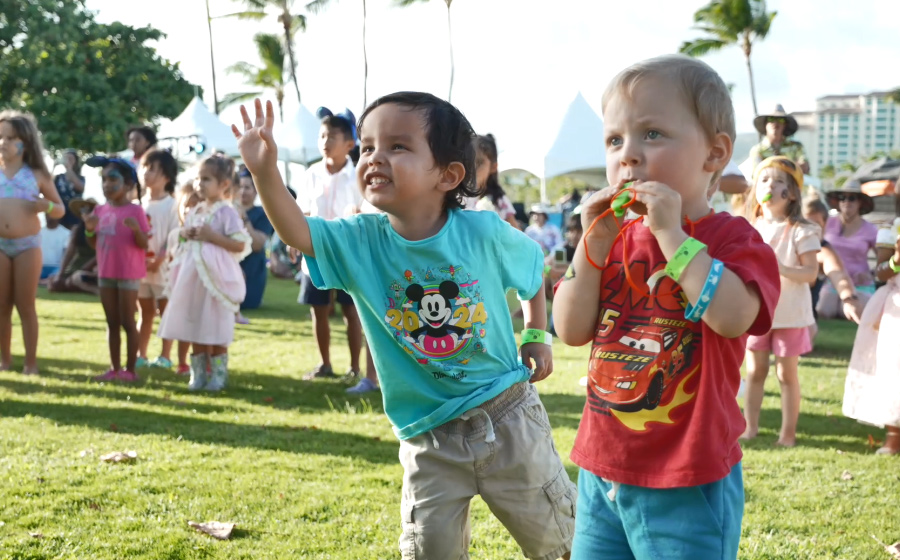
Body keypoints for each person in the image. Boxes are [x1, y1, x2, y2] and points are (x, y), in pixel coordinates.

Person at [235, 93, 576, 560]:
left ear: (449, 175)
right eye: (368, 146)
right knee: (428, 551)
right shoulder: (359, 240)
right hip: (427, 436)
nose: (375, 157)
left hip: (508, 417)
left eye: (397, 146)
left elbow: (533, 272)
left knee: (559, 542)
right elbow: (297, 231)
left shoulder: (483, 232)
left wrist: (536, 333)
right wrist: (264, 172)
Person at [553, 55, 780, 559]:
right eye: (615, 140)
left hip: (688, 477)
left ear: (714, 154)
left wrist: (672, 236)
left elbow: (733, 316)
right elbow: (568, 328)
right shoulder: (612, 242)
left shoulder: (733, 239)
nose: (628, 156)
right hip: (602, 468)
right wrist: (588, 249)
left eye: (652, 134)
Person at [741, 156, 821, 447]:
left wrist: (781, 268)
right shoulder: (749, 227)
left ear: (792, 194)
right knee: (754, 371)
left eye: (779, 182)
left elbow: (811, 274)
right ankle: (749, 428)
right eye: (764, 180)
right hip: (756, 313)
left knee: (787, 375)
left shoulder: (803, 230)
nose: (770, 186)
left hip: (790, 315)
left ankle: (787, 434)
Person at [158, 156, 250, 391]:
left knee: (215, 324)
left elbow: (239, 244)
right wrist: (185, 234)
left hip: (216, 278)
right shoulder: (196, 209)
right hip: (192, 278)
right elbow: (183, 237)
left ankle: (218, 375)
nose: (200, 184)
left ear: (224, 185)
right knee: (195, 322)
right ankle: (198, 374)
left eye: (206, 179)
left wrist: (212, 236)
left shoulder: (226, 213)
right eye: (198, 178)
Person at [296, 107, 365, 380]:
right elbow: (302, 210)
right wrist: (295, 240)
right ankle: (325, 364)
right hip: (315, 248)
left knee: (352, 310)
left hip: (348, 251)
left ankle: (355, 367)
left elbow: (364, 209)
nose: (325, 142)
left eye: (332, 136)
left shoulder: (358, 174)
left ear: (349, 144)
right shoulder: (311, 173)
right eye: (322, 136)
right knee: (319, 309)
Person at [0, 111, 65, 374]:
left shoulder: (36, 174)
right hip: (1, 245)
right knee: (2, 305)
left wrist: (46, 204)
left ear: (25, 142)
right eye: (0, 137)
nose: (3, 142)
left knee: (25, 304)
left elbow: (60, 209)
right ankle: (4, 360)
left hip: (27, 245)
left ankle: (30, 363)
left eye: (10, 138)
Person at [81, 156, 150, 382]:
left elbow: (144, 244)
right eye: (104, 179)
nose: (107, 184)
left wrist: (137, 230)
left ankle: (130, 371)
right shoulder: (100, 211)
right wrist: (90, 230)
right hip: (106, 273)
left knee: (128, 321)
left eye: (113, 179)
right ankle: (114, 368)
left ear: (129, 184)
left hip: (129, 273)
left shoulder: (136, 211)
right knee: (111, 322)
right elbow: (94, 244)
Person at [843, 220, 900, 454]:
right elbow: (881, 271)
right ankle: (894, 437)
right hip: (896, 306)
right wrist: (896, 260)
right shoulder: (893, 228)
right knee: (893, 370)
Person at [136, 149, 180, 370]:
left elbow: (173, 235)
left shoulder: (172, 205)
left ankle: (165, 356)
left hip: (163, 269)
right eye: (145, 167)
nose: (146, 173)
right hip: (141, 268)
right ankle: (140, 354)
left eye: (153, 169)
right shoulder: (139, 204)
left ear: (166, 177)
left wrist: (160, 259)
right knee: (144, 311)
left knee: (166, 312)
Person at [817, 181, 878, 318]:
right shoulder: (828, 222)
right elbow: (817, 248)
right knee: (824, 311)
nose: (846, 202)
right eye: (842, 198)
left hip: (860, 285)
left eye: (852, 198)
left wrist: (872, 274)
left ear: (860, 203)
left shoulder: (871, 229)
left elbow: (884, 259)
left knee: (851, 314)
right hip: (833, 282)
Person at [802, 197, 863, 329]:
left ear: (824, 225)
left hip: (804, 319)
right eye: (805, 223)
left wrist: (848, 299)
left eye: (816, 224)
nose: (810, 229)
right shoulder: (787, 244)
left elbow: (839, 275)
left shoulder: (823, 250)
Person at [165, 180, 203, 376]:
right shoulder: (177, 233)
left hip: (200, 284)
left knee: (199, 323)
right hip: (180, 286)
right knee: (183, 323)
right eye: (186, 205)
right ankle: (181, 362)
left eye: (195, 206)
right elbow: (172, 253)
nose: (190, 210)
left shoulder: (204, 231)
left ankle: (202, 364)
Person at [236, 170, 274, 311]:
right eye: (239, 187)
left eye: (247, 187)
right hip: (232, 265)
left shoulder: (263, 214)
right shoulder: (226, 210)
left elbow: (258, 245)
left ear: (256, 191)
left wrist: (244, 218)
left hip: (252, 268)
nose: (242, 191)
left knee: (247, 304)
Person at [47, 203, 99, 297]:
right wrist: (60, 274)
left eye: (89, 210)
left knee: (78, 277)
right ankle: (73, 285)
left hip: (94, 268)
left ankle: (95, 290)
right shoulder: (77, 230)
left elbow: (101, 254)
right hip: (77, 267)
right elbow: (69, 253)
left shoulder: (101, 229)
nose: (85, 213)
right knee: (53, 283)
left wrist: (87, 267)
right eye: (83, 211)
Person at [471, 134, 520, 229]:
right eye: (468, 161)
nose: (472, 168)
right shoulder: (458, 198)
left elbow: (518, 235)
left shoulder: (499, 201)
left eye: (479, 162)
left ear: (493, 167)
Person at [748, 104, 810, 175]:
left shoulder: (797, 146)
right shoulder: (757, 150)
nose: (775, 123)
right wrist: (790, 167)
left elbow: (805, 167)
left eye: (780, 119)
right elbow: (757, 174)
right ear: (765, 124)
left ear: (785, 125)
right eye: (771, 119)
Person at [53, 149, 85, 229]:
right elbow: (48, 186)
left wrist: (69, 168)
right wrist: (53, 167)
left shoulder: (80, 177)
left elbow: (80, 187)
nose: (68, 161)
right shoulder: (59, 177)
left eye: (71, 159)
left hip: (74, 214)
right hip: (61, 213)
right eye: (66, 158)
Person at [39, 217, 71, 282]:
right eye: (47, 214)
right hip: (40, 267)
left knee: (57, 275)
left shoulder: (66, 233)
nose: (49, 216)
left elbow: (66, 253)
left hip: (56, 268)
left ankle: (44, 281)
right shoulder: (38, 232)